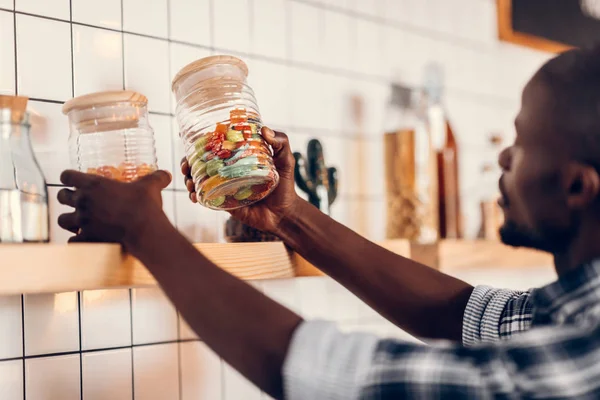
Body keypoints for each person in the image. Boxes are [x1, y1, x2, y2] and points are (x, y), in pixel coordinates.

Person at [57, 46, 600, 399]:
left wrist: (148, 231)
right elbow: (460, 312)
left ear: (578, 186)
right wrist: (291, 217)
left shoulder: (581, 365)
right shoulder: (578, 314)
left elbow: (338, 375)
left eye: (523, 143)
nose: (506, 159)